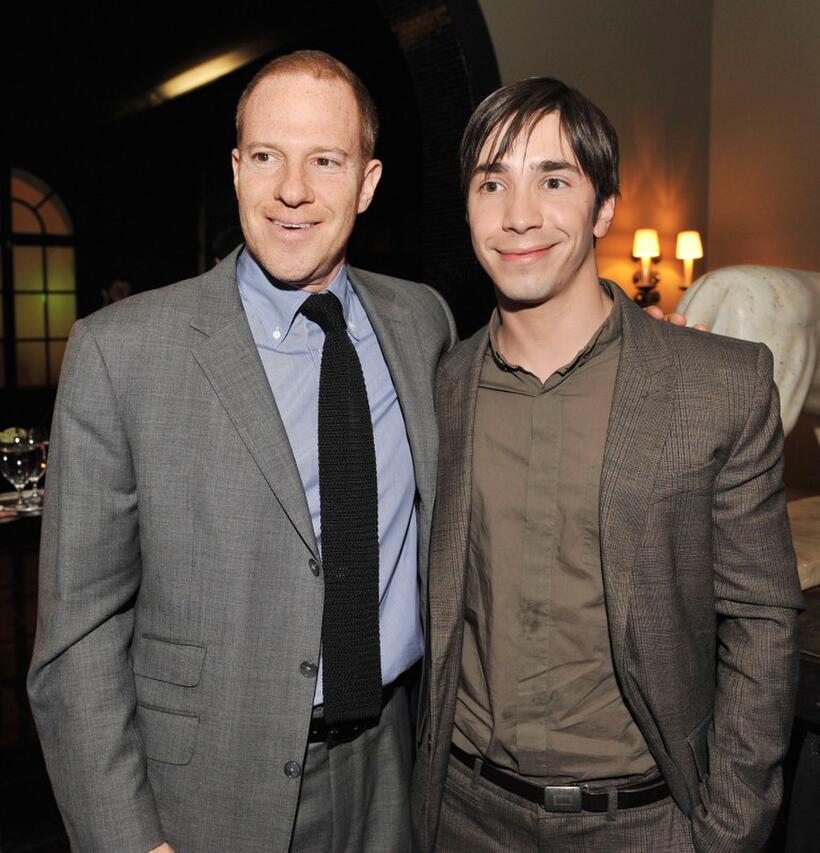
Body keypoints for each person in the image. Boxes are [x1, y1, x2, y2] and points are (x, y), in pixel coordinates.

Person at [27, 50, 457, 853]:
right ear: (236, 169)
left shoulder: (420, 322)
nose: (291, 190)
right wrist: (130, 841)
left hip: (391, 771)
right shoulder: (122, 351)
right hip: (205, 795)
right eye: (266, 156)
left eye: (324, 161)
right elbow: (78, 636)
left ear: (366, 183)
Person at [411, 77, 803, 852]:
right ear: (468, 207)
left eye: (553, 180)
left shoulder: (717, 384)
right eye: (493, 182)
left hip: (648, 822)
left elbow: (762, 621)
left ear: (604, 208)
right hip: (462, 816)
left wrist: (725, 829)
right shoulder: (440, 383)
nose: (519, 214)